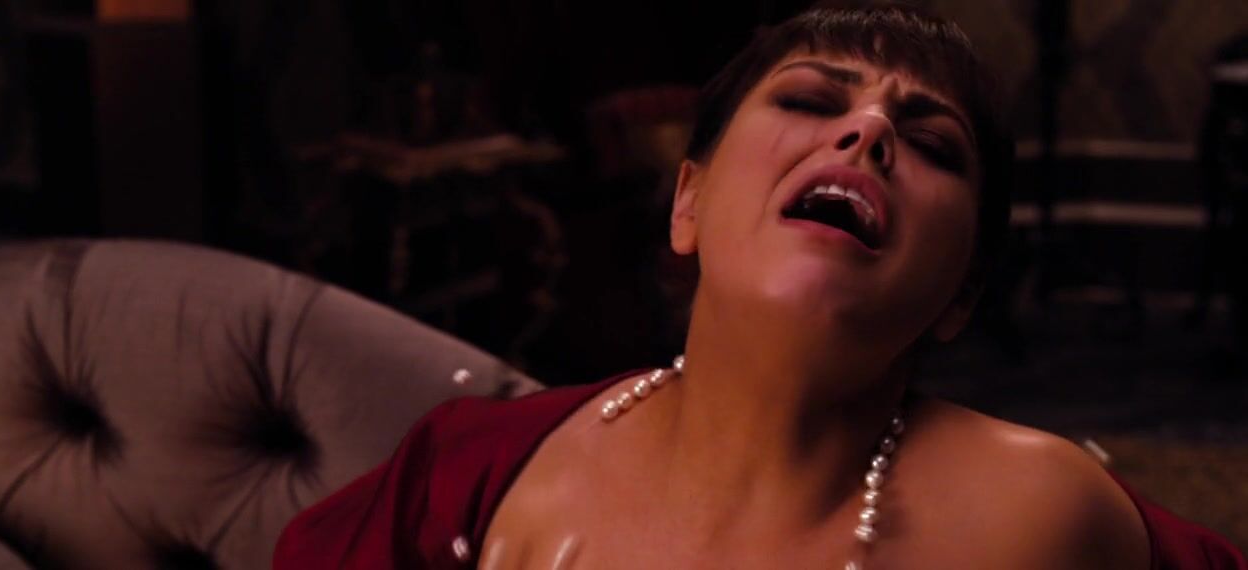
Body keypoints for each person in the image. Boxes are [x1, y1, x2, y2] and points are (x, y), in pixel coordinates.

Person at [274, 5, 1248, 568]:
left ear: (962, 293)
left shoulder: (1053, 512)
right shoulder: (467, 472)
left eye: (933, 145)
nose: (868, 131)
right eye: (811, 100)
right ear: (687, 202)